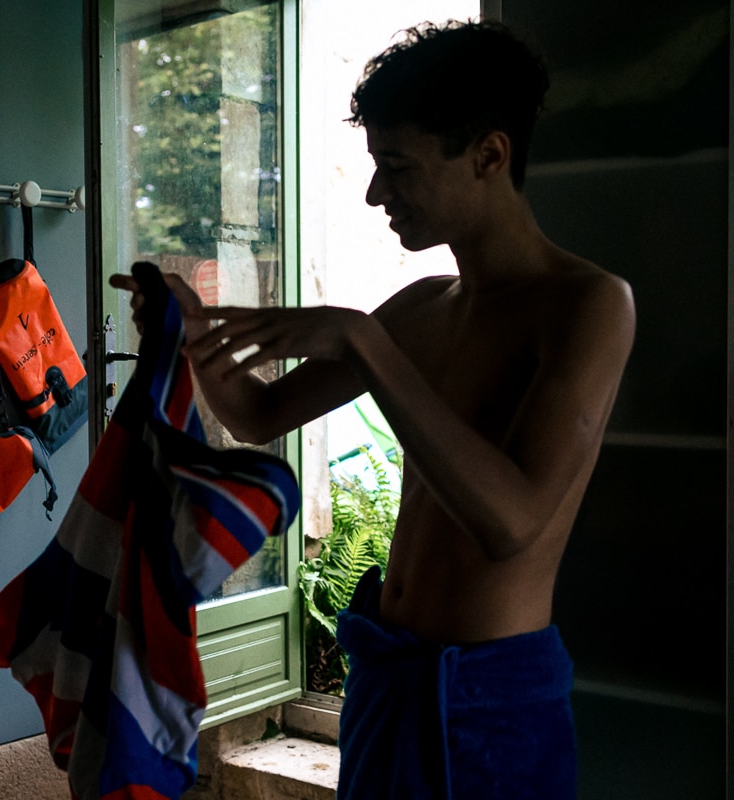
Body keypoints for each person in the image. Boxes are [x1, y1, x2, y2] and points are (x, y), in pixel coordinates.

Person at [111, 19, 635, 799]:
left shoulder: (587, 304)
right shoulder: (425, 306)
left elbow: (512, 521)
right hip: (388, 672)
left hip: (490, 698)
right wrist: (186, 333)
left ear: (489, 155)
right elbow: (258, 415)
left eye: (397, 166)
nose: (375, 192)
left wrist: (364, 342)